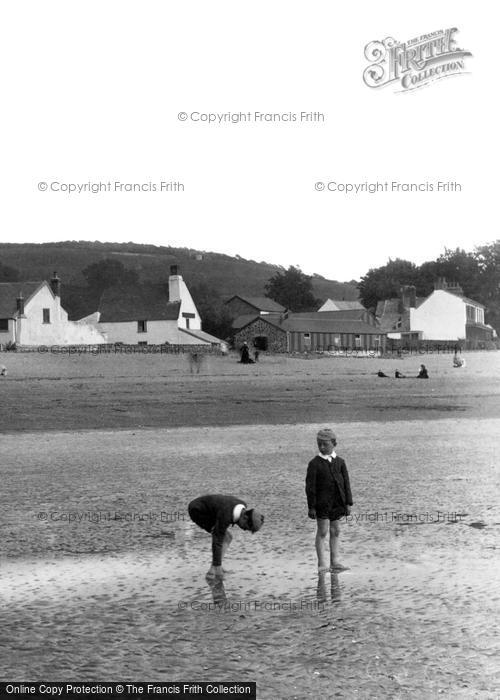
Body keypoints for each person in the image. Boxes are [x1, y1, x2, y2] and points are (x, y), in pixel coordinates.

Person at [306, 428, 353, 573]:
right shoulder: (314, 464)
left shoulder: (340, 462)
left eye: (325, 444)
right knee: (322, 531)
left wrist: (348, 503)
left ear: (334, 443)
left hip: (337, 503)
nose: (321, 447)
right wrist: (311, 507)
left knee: (336, 530)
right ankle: (321, 564)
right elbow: (310, 487)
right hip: (321, 504)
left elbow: (346, 483)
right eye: (319, 444)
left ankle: (335, 562)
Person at [188, 494, 264, 579]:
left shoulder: (242, 505)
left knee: (228, 537)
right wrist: (217, 565)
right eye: (246, 527)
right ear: (245, 517)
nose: (244, 529)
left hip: (212, 508)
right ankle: (213, 571)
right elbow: (217, 541)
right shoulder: (226, 515)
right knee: (220, 536)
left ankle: (216, 566)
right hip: (197, 511)